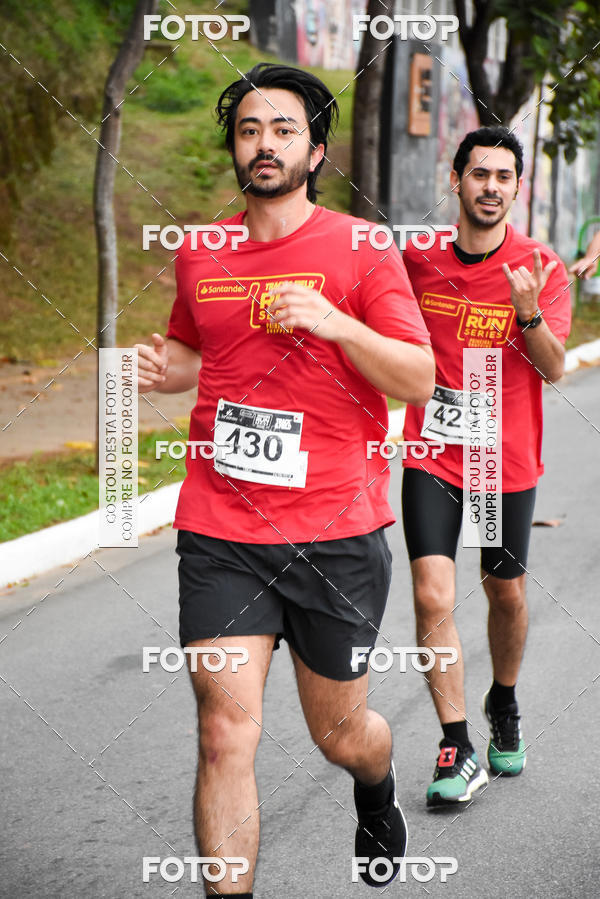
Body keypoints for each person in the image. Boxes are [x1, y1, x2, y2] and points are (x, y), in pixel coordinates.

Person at [136, 63, 434, 893]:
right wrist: (168, 369)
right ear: (235, 147)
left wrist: (335, 321)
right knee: (224, 733)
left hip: (337, 530)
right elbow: (203, 347)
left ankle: (375, 789)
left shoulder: (362, 248)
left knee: (340, 732)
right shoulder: (201, 250)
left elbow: (416, 376)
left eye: (283, 129)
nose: (264, 144)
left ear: (316, 148)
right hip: (223, 526)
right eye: (249, 130)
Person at [401, 126, 571, 807]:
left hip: (501, 464)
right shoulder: (418, 262)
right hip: (434, 453)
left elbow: (555, 369)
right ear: (457, 180)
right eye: (480, 174)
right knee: (432, 594)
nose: (491, 186)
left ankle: (504, 698)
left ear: (516, 188)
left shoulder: (540, 266)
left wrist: (528, 313)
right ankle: (456, 741)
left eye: (504, 176)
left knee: (505, 593)